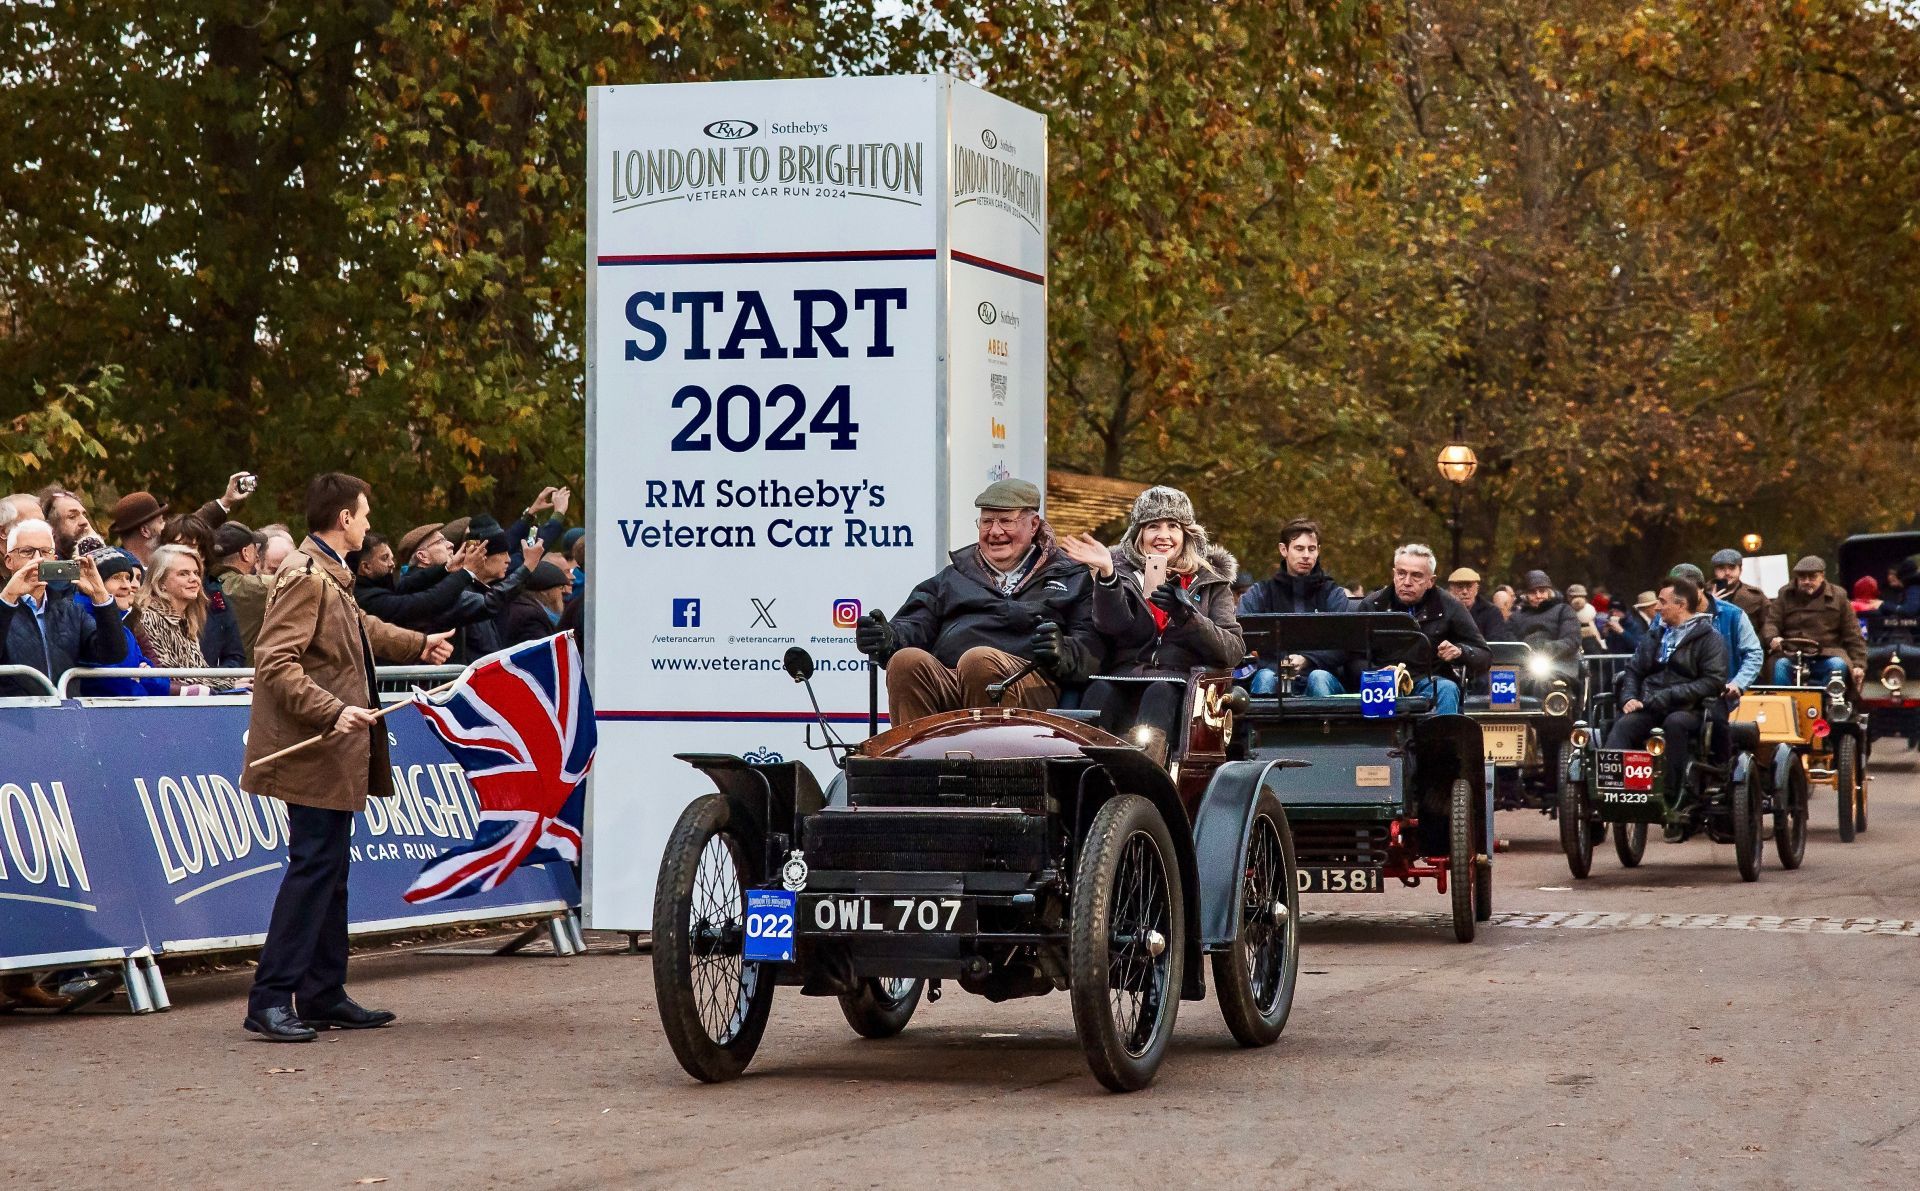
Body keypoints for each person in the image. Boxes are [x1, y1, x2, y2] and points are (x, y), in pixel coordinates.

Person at [242, 473, 453, 1042]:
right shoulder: (305, 577)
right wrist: (333, 711)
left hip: (331, 751)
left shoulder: (329, 575)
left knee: (329, 872)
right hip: (314, 748)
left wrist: (418, 644)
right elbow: (275, 663)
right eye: (363, 514)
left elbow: (361, 629)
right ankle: (269, 998)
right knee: (313, 869)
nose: (366, 522)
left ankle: (321, 992)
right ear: (343, 520)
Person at [856, 478, 1101, 724]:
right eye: (986, 522)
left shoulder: (1071, 576)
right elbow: (914, 622)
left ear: (1034, 525)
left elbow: (1092, 649)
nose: (995, 532)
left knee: (979, 661)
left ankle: (989, 761)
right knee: (905, 661)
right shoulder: (954, 577)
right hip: (954, 681)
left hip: (1029, 687)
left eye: (1006, 521)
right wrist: (888, 638)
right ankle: (916, 759)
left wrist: (1062, 651)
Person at [1059, 486, 1242, 753]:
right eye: (1153, 526)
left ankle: (1146, 774)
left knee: (1160, 690)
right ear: (1139, 533)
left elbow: (1233, 650)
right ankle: (1084, 774)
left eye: (1173, 526)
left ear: (1186, 534)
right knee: (1097, 691)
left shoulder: (1210, 582)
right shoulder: (1119, 573)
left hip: (1180, 681)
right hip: (1123, 674)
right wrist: (1108, 576)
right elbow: (1111, 625)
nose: (1163, 535)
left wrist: (1187, 616)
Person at [1606, 577, 1728, 832]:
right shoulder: (1656, 633)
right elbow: (1633, 670)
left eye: (1662, 602)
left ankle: (1672, 795)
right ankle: (1611, 791)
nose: (1657, 607)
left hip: (1690, 709)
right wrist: (1628, 698)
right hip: (1650, 705)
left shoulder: (1710, 638)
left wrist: (1670, 695)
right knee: (1624, 725)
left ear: (1681, 605)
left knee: (1675, 724)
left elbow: (1713, 682)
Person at [1355, 543, 1490, 714]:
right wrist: (1375, 673)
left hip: (1427, 680)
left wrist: (1460, 651)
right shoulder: (1372, 604)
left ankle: (1445, 740)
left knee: (1447, 688)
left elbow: (1485, 656)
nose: (1407, 582)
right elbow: (1353, 657)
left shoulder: (1450, 606)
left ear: (1431, 581)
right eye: (1401, 573)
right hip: (1379, 681)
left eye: (1416, 576)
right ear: (1394, 574)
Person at [0, 519, 124, 694]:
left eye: (45, 552)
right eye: (27, 552)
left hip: (63, 715)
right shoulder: (3, 604)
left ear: (54, 559)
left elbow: (113, 654)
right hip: (14, 716)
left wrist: (100, 597)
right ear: (9, 561)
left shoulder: (70, 609)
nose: (37, 560)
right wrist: (8, 599)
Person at [1236, 517, 1351, 696]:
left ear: (1318, 551)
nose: (1306, 555)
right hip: (1273, 673)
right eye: (1299, 548)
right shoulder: (1261, 593)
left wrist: (1307, 660)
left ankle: (1324, 725)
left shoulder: (1332, 593)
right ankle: (1262, 725)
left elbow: (1346, 644)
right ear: (1284, 550)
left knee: (1318, 678)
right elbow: (1240, 635)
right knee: (1265, 677)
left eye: (1311, 549)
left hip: (1321, 675)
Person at [131, 545, 247, 693]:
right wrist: (230, 684)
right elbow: (172, 678)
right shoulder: (148, 618)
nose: (194, 579)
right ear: (160, 581)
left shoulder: (185, 620)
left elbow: (199, 672)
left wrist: (236, 681)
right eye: (183, 574)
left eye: (196, 573)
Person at [73, 549, 169, 697]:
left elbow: (162, 683)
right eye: (116, 577)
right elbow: (113, 685)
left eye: (127, 578)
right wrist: (140, 680)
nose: (127, 586)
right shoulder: (79, 620)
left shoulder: (124, 626)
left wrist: (144, 676)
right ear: (93, 581)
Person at [1762, 555, 1868, 688]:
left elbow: (1853, 634)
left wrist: (1859, 665)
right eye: (1802, 577)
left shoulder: (1838, 597)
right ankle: (1785, 704)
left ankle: (1829, 703)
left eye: (1812, 577)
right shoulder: (1785, 594)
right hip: (1791, 654)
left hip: (1827, 653)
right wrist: (1773, 638)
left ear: (1822, 576)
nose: (1806, 581)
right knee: (1779, 666)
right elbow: (1771, 622)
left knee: (1838, 665)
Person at [352, 532, 482, 631]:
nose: (391, 564)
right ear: (366, 567)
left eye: (391, 558)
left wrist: (447, 568)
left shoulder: (379, 586)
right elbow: (425, 603)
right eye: (384, 558)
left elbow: (409, 584)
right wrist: (465, 573)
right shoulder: (368, 599)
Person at [209, 522, 273, 662]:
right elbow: (294, 580)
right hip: (242, 677)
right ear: (245, 553)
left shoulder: (202, 584)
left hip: (206, 676)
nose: (257, 555)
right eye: (254, 548)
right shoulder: (256, 589)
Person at [1505, 570, 1582, 683]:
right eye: (1533, 592)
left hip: (1559, 666)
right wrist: (1527, 653)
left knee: (1548, 684)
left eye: (1542, 591)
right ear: (1526, 595)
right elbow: (1510, 644)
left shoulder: (1564, 610)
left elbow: (1571, 640)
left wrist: (1544, 649)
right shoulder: (1516, 618)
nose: (1538, 596)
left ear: (1549, 592)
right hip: (1524, 667)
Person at [498, 561, 574, 647]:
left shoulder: (521, 605)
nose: (563, 592)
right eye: (560, 587)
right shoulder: (531, 616)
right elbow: (539, 652)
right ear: (545, 591)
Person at [1710, 548, 1768, 636]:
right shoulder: (1702, 594)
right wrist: (1710, 605)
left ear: (1740, 570)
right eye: (1721, 568)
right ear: (1715, 571)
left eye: (1732, 567)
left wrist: (1757, 644)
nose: (1727, 572)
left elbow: (1769, 624)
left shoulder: (1755, 595)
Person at [35, 487, 103, 559]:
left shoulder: (104, 553)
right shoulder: (44, 566)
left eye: (84, 515)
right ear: (51, 527)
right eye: (72, 516)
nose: (84, 522)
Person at [1447, 567, 1510, 643]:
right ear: (1451, 590)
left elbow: (1496, 644)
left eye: (1469, 587)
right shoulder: (1443, 612)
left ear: (1476, 589)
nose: (1465, 592)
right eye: (1460, 587)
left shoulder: (1491, 612)